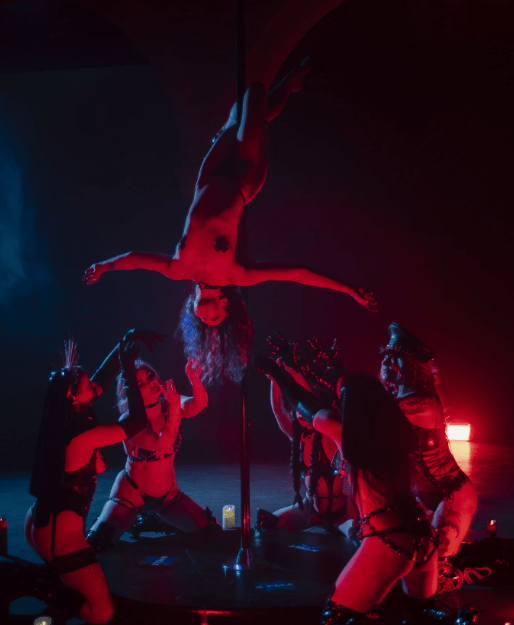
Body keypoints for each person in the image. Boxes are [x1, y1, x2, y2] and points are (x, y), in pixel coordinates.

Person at [82, 60, 377, 384]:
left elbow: (137, 260)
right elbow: (297, 273)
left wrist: (104, 266)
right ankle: (289, 84)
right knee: (254, 95)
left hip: (209, 175)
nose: (207, 316)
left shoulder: (179, 269)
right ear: (226, 305)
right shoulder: (237, 274)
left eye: (202, 320)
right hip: (243, 178)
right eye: (215, 319)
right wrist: (348, 289)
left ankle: (290, 85)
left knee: (240, 114)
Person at [255, 352, 476, 625]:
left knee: (336, 617)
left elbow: (304, 402)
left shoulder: (343, 433)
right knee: (421, 613)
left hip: (390, 540)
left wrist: (278, 374)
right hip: (423, 537)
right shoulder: (399, 430)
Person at [24, 329, 164, 624]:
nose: (95, 387)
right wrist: (128, 371)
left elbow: (102, 376)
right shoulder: (80, 434)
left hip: (41, 520)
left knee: (68, 584)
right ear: (74, 396)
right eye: (88, 385)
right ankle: (53, 603)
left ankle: (55, 595)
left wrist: (127, 339)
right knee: (102, 612)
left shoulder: (65, 411)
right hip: (59, 537)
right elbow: (136, 422)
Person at [379, 322, 478, 591]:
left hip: (452, 494)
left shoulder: (422, 402)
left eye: (395, 357)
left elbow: (379, 417)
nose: (388, 362)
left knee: (436, 572)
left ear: (413, 365)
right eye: (387, 355)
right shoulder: (399, 398)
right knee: (406, 563)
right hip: (425, 496)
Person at [87, 358, 220, 552]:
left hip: (169, 496)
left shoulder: (168, 404)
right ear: (132, 391)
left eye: (151, 376)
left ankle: (154, 520)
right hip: (132, 494)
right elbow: (163, 445)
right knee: (99, 543)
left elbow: (199, 404)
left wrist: (194, 379)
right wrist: (175, 410)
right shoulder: (130, 420)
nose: (151, 382)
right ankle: (131, 519)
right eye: (142, 382)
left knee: (211, 533)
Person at [255, 336, 348, 534]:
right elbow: (279, 410)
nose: (301, 412)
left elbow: (309, 399)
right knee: (266, 523)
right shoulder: (296, 437)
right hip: (309, 509)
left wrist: (291, 368)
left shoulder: (329, 435)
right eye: (298, 411)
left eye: (305, 410)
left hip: (340, 513)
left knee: (355, 536)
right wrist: (275, 379)